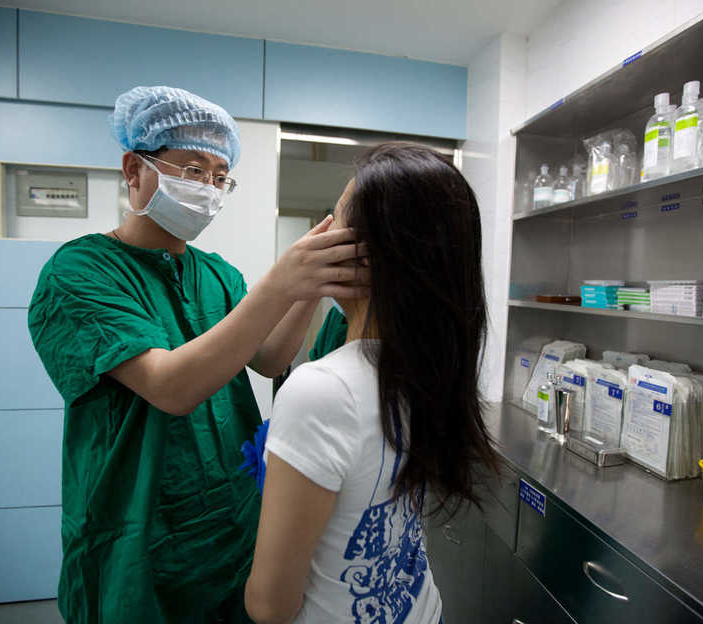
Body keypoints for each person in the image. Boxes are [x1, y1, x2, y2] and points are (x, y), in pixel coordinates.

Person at [27, 86, 368, 624]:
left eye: (218, 176)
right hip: (137, 530)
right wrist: (280, 285)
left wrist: (309, 287)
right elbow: (171, 387)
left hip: (228, 520)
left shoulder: (216, 273)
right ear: (133, 170)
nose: (207, 188)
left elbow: (271, 359)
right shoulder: (79, 273)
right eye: (191, 169)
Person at [244, 142, 503, 624]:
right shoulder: (432, 369)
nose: (320, 235)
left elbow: (268, 606)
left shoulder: (320, 390)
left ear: (359, 255)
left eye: (334, 222)